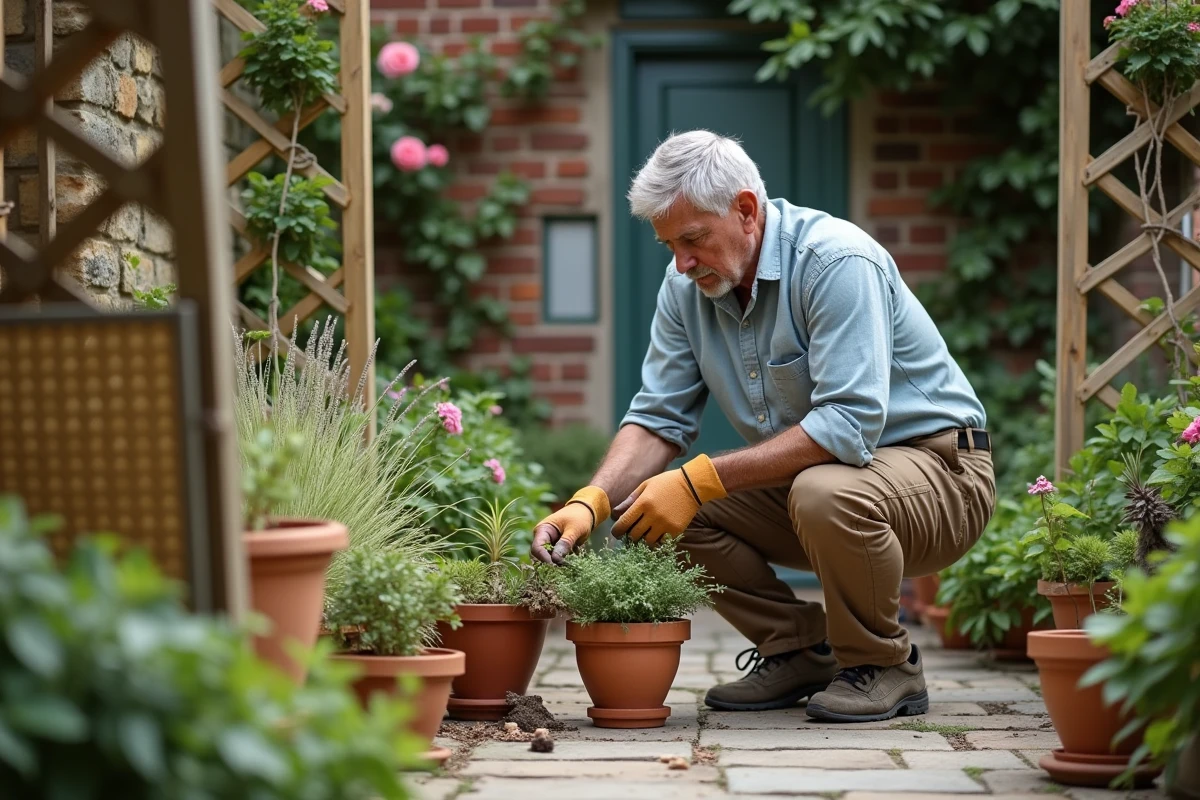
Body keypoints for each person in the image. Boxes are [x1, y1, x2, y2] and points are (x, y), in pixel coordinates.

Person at [530, 130, 995, 723]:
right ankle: (799, 648)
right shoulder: (683, 291)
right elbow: (656, 417)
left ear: (746, 210)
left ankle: (884, 665)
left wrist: (698, 479)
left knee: (817, 490)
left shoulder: (835, 261)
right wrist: (591, 502)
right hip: (831, 482)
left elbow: (848, 425)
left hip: (941, 474)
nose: (682, 262)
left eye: (693, 238)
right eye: (669, 245)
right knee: (654, 510)